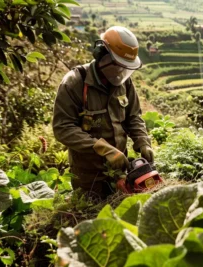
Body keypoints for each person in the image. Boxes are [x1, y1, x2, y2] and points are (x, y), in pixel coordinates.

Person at [52, 26, 153, 199]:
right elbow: (63, 128)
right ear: (101, 54)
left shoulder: (124, 84)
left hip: (120, 170)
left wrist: (142, 141)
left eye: (126, 67)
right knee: (89, 220)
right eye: (118, 65)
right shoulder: (75, 82)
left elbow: (134, 117)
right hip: (88, 175)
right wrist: (102, 148)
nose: (121, 72)